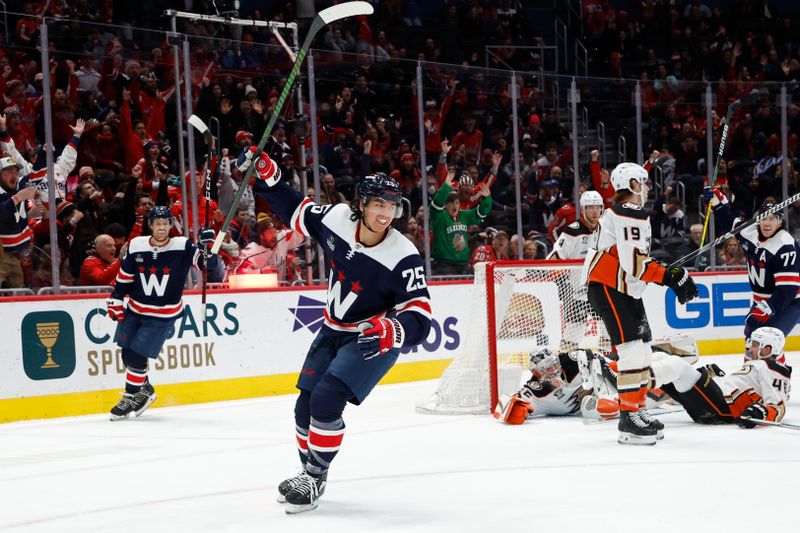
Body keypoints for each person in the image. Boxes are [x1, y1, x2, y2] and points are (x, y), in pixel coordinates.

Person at [237, 147, 432, 514]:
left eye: (391, 207)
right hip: (332, 329)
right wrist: (270, 175)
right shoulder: (339, 217)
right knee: (303, 408)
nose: (385, 214)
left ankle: (314, 476)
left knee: (327, 399)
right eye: (378, 205)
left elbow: (421, 316)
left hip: (372, 337)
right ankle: (311, 473)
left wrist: (394, 330)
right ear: (362, 203)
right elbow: (296, 211)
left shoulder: (403, 254)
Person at [584, 162, 698, 445]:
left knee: (644, 350)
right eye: (644, 183)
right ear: (633, 185)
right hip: (611, 289)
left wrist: (670, 274)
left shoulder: (627, 215)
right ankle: (628, 418)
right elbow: (634, 264)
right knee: (632, 353)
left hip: (624, 290)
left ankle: (639, 410)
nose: (647, 188)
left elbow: (634, 263)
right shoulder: (627, 213)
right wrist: (669, 277)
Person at [105, 207, 215, 421]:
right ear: (151, 225)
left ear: (170, 225)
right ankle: (145, 390)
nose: (162, 227)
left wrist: (206, 247)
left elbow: (204, 263)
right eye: (158, 223)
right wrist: (117, 298)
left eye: (166, 223)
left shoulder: (182, 245)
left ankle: (131, 397)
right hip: (135, 309)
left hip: (162, 315)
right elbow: (125, 275)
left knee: (138, 356)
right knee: (127, 354)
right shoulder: (137, 245)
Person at [704, 187, 800, 363]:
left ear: (780, 222)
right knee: (751, 340)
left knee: (769, 340)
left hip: (790, 302)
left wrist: (765, 309)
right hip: (762, 300)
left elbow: (787, 290)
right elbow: (729, 224)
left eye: (773, 218)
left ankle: (778, 384)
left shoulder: (785, 245)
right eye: (764, 218)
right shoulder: (750, 233)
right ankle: (751, 381)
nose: (767, 223)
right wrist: (717, 203)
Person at [649, 327, 791, 427]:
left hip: (722, 408)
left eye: (754, 344)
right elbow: (739, 388)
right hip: (715, 404)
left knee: (677, 365)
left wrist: (760, 413)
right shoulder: (759, 366)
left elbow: (778, 407)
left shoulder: (774, 368)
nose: (750, 348)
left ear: (767, 349)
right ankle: (633, 389)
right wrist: (714, 377)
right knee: (660, 356)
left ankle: (634, 383)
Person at [430, 168, 492, 275]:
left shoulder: (464, 215)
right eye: (451, 203)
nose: (455, 206)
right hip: (444, 265)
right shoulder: (439, 216)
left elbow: (481, 212)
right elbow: (436, 203)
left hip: (463, 264)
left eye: (457, 203)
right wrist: (445, 187)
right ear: (445, 205)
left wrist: (486, 198)